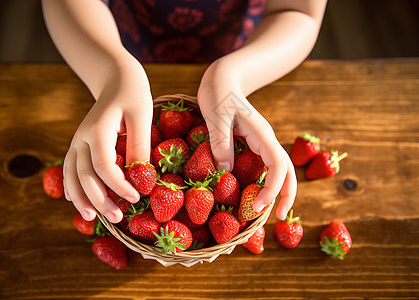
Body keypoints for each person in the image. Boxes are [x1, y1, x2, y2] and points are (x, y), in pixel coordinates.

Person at [42, 0, 327, 224]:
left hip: (253, 51)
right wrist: (110, 71)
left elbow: (298, 11)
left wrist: (232, 75)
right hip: (110, 43)